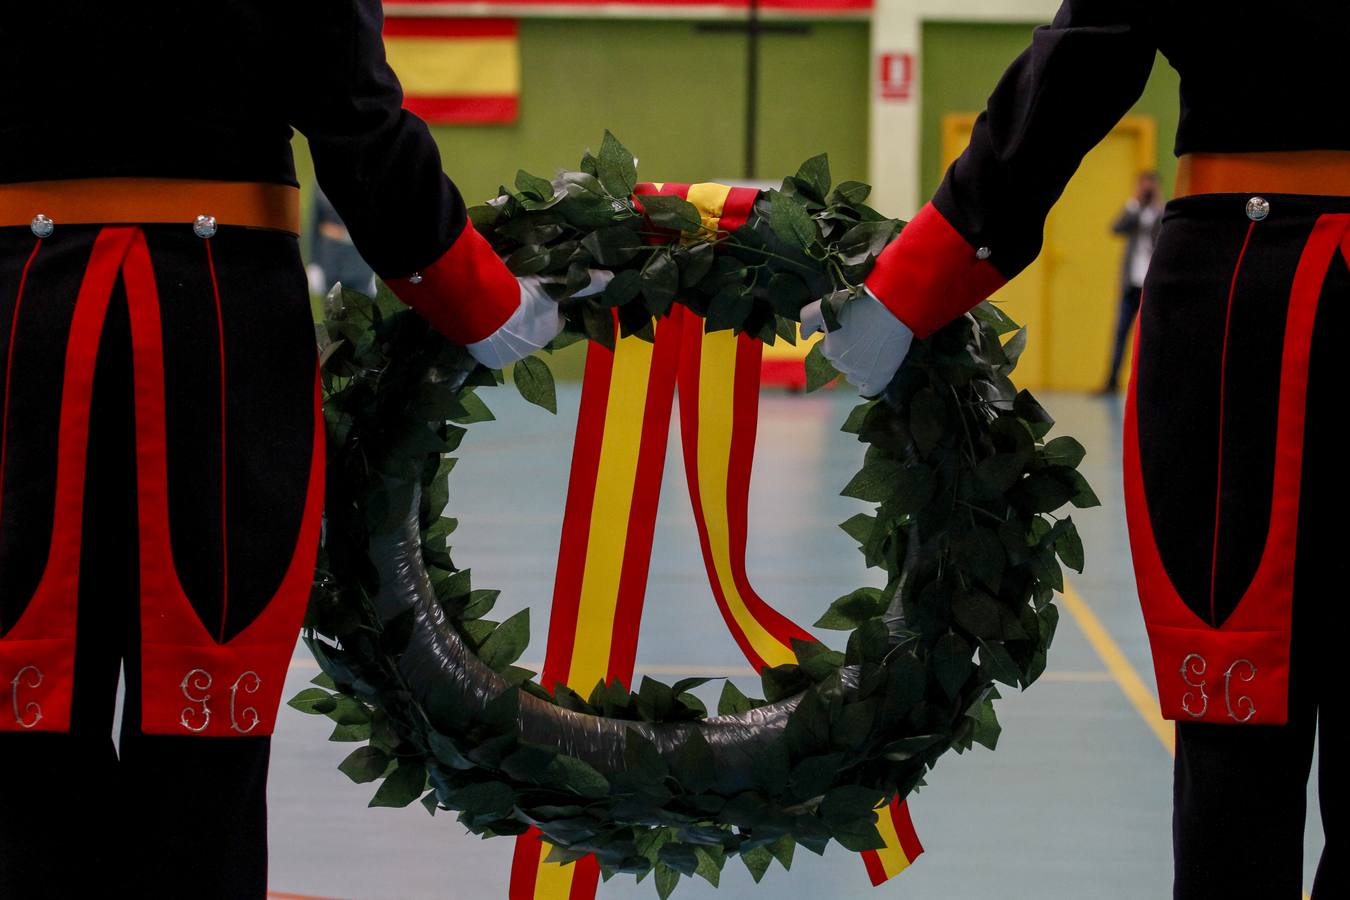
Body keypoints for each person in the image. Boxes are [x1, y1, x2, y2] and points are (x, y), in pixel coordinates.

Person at [0, 2, 563, 896]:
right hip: (212, 338)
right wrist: (481, 300)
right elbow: (355, 118)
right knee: (199, 768)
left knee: (16, 753)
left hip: (18, 327)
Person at [803, 2, 1345, 897]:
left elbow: (1088, 53)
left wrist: (911, 283)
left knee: (1236, 757)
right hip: (1247, 310)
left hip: (1255, 311)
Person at [1100, 171, 1163, 394]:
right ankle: (1111, 382)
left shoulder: (1160, 213)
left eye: (1149, 186)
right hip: (1130, 284)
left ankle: (1147, 384)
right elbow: (1116, 228)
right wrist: (1134, 202)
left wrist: (1156, 204)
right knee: (1120, 334)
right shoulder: (1134, 211)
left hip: (1150, 285)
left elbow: (1164, 238)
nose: (1146, 190)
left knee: (1150, 337)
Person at [307, 185, 377, 297]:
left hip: (361, 263)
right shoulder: (322, 182)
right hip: (331, 262)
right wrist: (314, 262)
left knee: (363, 311)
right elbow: (315, 225)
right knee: (334, 311)